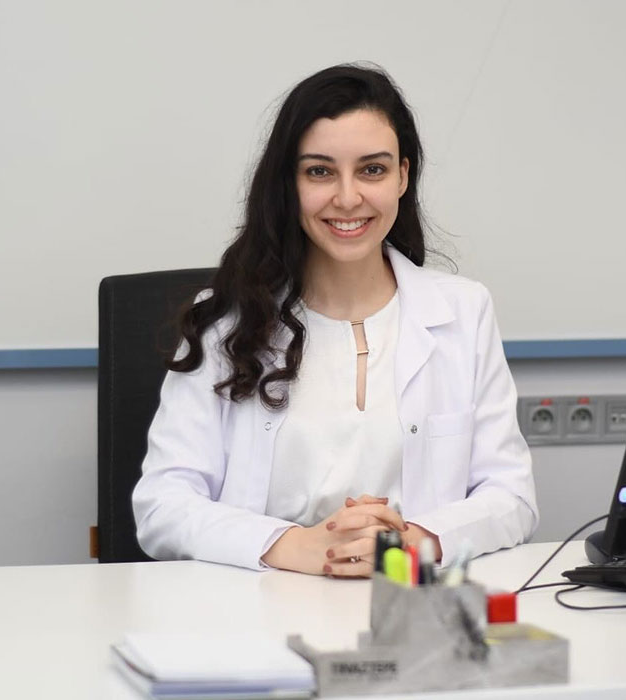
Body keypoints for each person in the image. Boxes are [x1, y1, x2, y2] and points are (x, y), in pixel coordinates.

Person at [133, 63, 538, 577]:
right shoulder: (226, 319)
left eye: (372, 170)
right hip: (259, 606)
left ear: (403, 177)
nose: (348, 198)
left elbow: (512, 496)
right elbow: (162, 505)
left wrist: (411, 540)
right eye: (320, 171)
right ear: (289, 183)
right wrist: (294, 546)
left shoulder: (464, 311)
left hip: (408, 606)